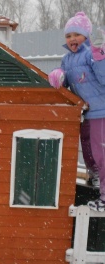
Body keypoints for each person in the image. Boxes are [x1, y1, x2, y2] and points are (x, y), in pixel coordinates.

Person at [48, 12, 105, 212]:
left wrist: (99, 56)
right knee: (88, 150)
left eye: (77, 34)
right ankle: (95, 176)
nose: (72, 39)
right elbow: (67, 81)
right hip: (86, 114)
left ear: (86, 35)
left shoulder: (93, 54)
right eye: (68, 35)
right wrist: (59, 76)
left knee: (102, 154)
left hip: (101, 111)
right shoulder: (67, 59)